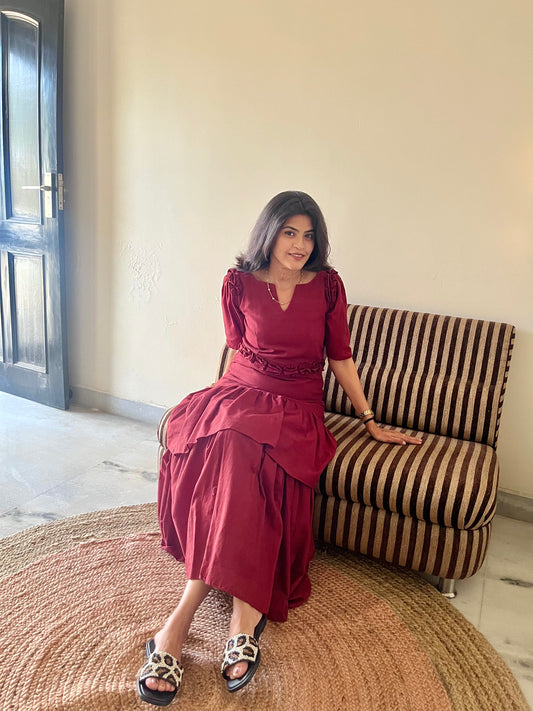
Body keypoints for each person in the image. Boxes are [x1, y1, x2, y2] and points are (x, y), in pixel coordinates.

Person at [136, 191, 422, 706]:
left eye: (309, 235)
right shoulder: (238, 282)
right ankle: (227, 621)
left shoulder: (327, 286)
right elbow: (237, 350)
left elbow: (340, 358)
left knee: (250, 453)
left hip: (296, 403)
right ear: (269, 232)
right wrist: (219, 400)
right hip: (242, 389)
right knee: (229, 440)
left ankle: (181, 627)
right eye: (290, 232)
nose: (300, 244)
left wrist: (370, 420)